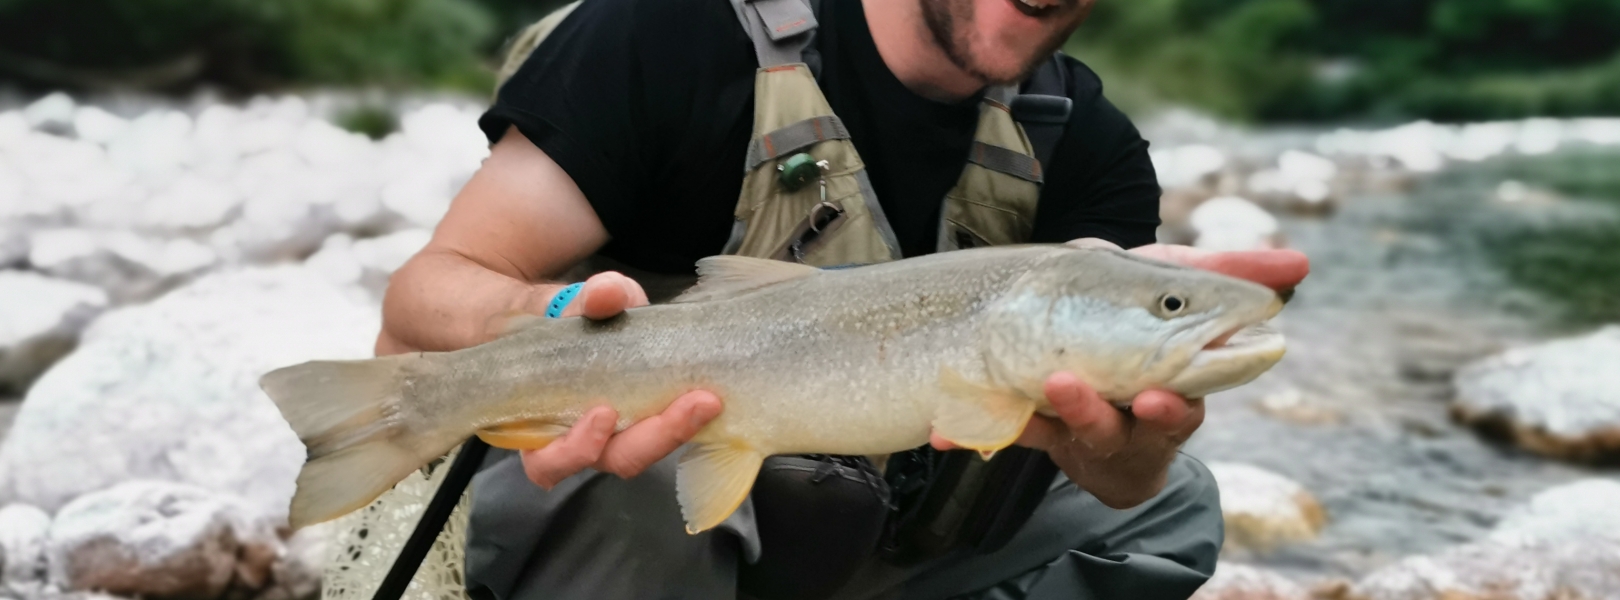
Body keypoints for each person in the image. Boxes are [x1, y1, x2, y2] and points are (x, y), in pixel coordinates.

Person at [362, 0, 1311, 598]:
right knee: (634, 478)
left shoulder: (1086, 141)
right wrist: (542, 324)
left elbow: (1120, 480)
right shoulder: (670, 30)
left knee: (1172, 508)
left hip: (871, 535)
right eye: (1170, 310)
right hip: (635, 515)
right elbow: (424, 294)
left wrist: (1131, 454)